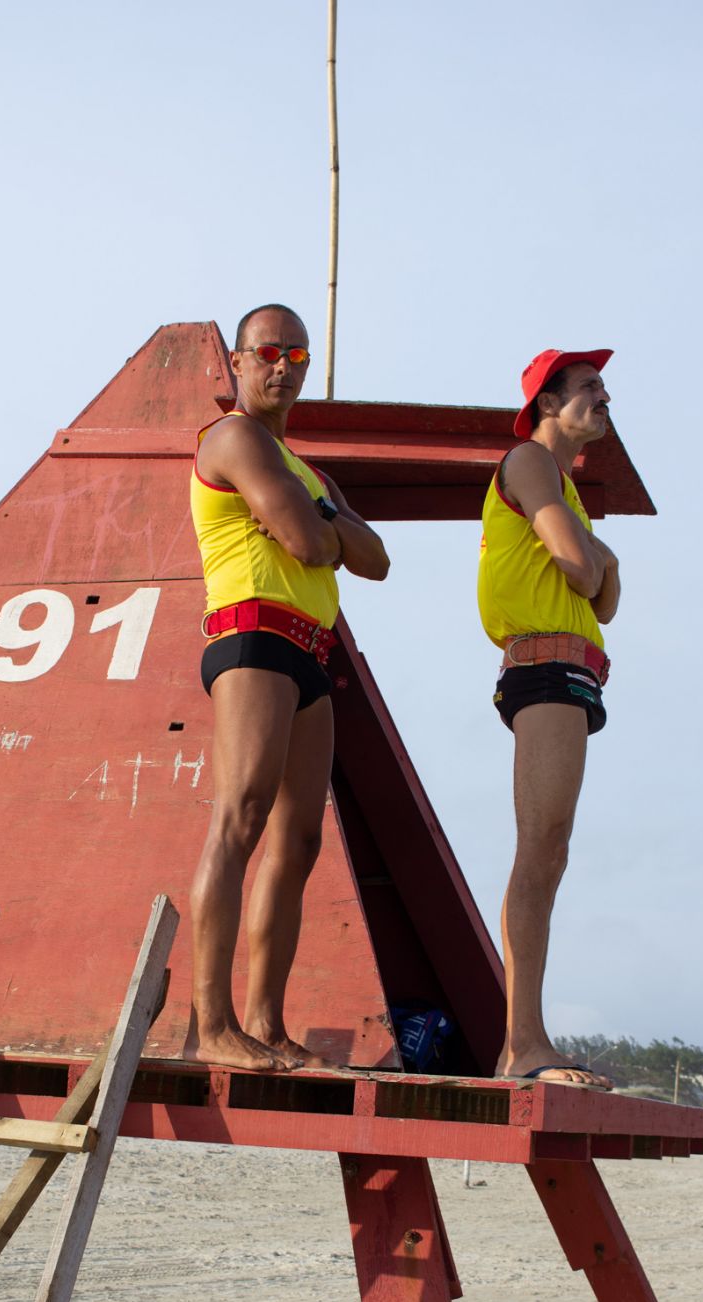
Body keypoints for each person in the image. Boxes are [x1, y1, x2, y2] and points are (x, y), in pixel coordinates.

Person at [185, 303, 389, 1071]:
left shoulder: (310, 473)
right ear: (236, 364)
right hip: (252, 634)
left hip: (309, 649)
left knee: (299, 841)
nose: (283, 365)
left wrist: (320, 517)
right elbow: (308, 541)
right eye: (267, 351)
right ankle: (214, 1026)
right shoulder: (232, 437)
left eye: (297, 355)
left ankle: (266, 1024)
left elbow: (374, 560)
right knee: (239, 818)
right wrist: (320, 528)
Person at [478, 348, 622, 1088]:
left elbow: (604, 597)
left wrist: (599, 560)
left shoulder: (564, 485)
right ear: (547, 404)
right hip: (543, 665)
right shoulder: (531, 464)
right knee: (540, 848)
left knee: (550, 849)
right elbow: (583, 570)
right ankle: (522, 1044)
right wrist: (599, 556)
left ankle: (526, 1040)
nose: (605, 397)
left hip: (567, 669)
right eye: (589, 389)